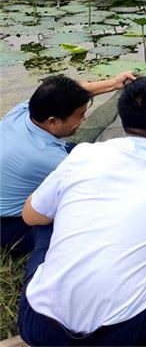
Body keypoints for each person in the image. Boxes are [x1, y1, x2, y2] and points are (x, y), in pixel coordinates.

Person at [18, 76, 146, 346]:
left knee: (45, 214)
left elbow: (30, 216)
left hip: (38, 325)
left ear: (121, 116)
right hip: (123, 334)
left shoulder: (83, 155)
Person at [0, 72, 135, 255]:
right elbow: (105, 186)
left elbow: (75, 91)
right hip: (9, 226)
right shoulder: (47, 157)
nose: (84, 119)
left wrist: (113, 84)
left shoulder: (23, 111)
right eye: (79, 115)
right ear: (53, 121)